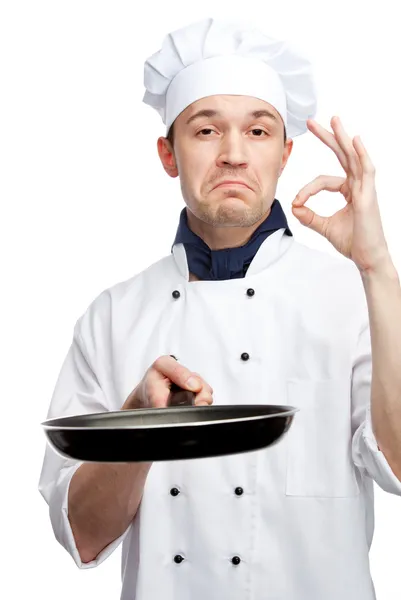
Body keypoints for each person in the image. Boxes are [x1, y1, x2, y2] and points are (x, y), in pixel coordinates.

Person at [38, 17, 401, 600]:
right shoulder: (113, 316)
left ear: (285, 154)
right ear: (168, 153)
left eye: (258, 133)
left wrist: (379, 267)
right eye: (206, 131)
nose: (233, 155)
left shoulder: (357, 297)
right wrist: (139, 426)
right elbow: (82, 535)